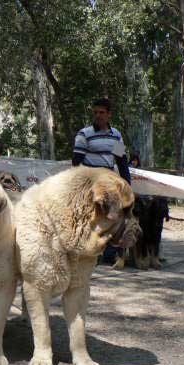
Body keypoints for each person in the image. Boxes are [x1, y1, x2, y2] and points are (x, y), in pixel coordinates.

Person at [73, 97, 131, 267]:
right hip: (91, 182)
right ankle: (91, 253)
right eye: (96, 112)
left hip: (110, 182)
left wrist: (127, 186)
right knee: (92, 218)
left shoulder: (116, 135)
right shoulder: (85, 134)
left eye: (102, 112)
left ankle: (109, 253)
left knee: (112, 217)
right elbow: (76, 162)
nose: (98, 116)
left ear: (109, 114)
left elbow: (121, 161)